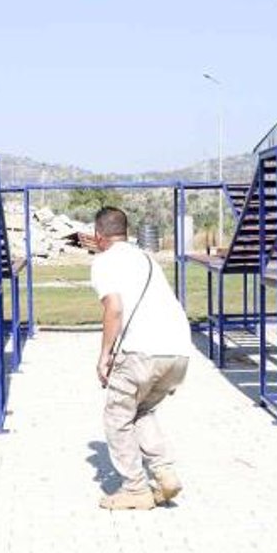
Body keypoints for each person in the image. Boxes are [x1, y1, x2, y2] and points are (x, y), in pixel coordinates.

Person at [90, 206, 192, 511]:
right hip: (178, 351)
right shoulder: (146, 258)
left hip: (142, 352)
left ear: (98, 235)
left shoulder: (104, 261)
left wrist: (104, 356)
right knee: (141, 410)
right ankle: (165, 474)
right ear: (126, 232)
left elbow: (114, 308)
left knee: (116, 416)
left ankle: (135, 489)